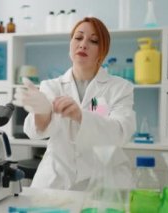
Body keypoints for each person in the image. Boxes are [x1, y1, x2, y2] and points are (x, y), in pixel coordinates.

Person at [13, 17, 136, 190]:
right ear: (70, 44)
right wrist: (42, 112)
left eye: (93, 41)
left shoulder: (120, 88)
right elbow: (35, 132)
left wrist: (81, 116)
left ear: (103, 51)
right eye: (78, 38)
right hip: (57, 179)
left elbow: (121, 133)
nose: (83, 44)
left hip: (105, 181)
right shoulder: (51, 86)